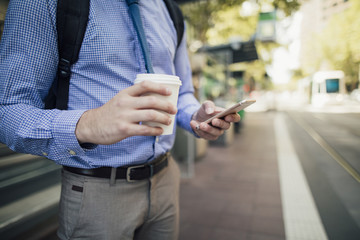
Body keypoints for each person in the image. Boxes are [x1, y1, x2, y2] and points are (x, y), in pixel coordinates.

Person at [0, 0, 240, 239]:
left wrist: (195, 117)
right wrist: (87, 124)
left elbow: (183, 92)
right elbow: (8, 110)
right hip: (96, 192)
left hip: (166, 181)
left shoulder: (170, 11)